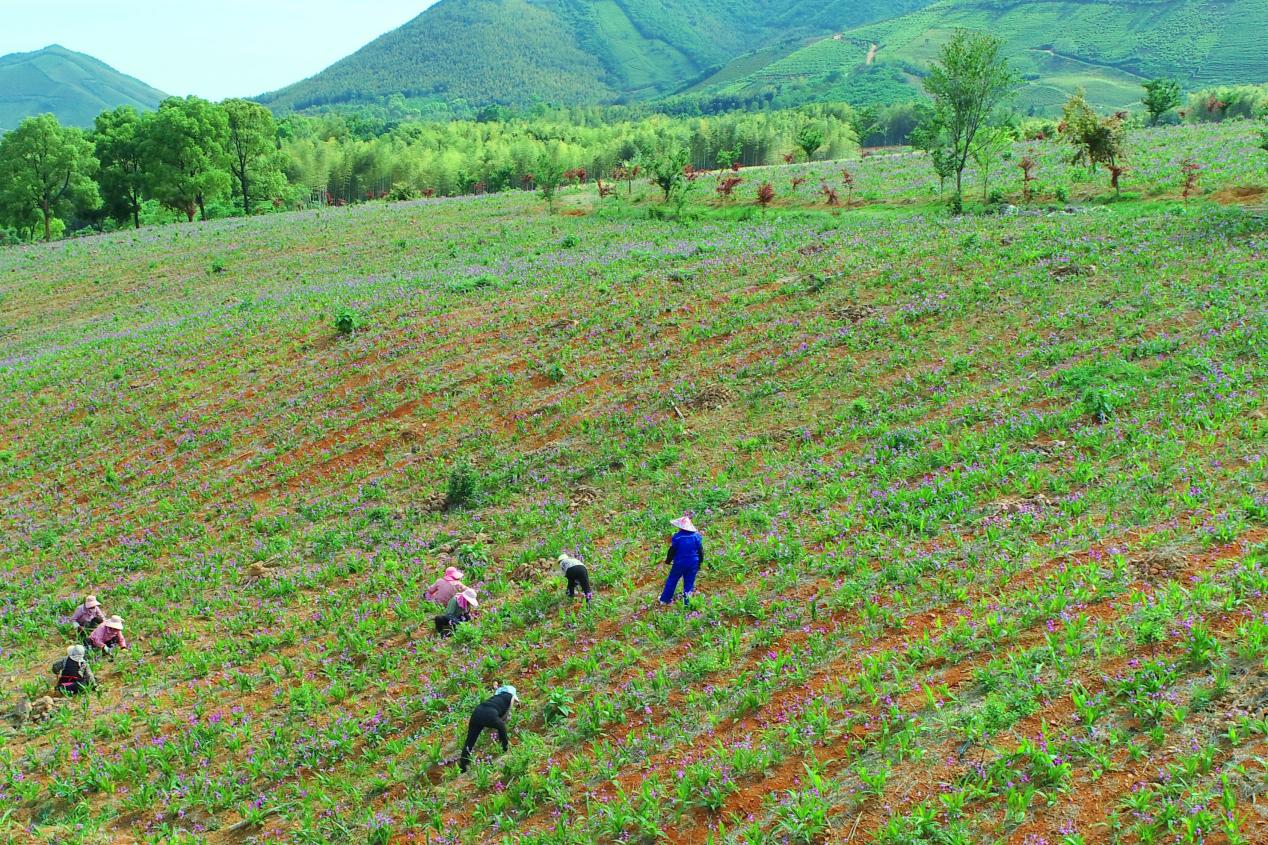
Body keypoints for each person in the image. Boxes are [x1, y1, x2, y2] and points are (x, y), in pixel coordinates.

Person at [459, 685, 520, 772]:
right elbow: (504, 716)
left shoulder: (496, 697)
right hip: (489, 713)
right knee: (501, 726)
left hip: (477, 712)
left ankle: (463, 766)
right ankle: (505, 748)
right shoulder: (510, 696)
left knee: (470, 741)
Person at [660, 515, 704, 608]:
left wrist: (668, 560)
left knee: (672, 579)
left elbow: (672, 550)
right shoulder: (696, 536)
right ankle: (687, 603)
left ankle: (665, 600)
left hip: (680, 562)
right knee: (689, 582)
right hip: (693, 562)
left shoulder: (678, 537)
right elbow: (700, 551)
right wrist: (700, 562)